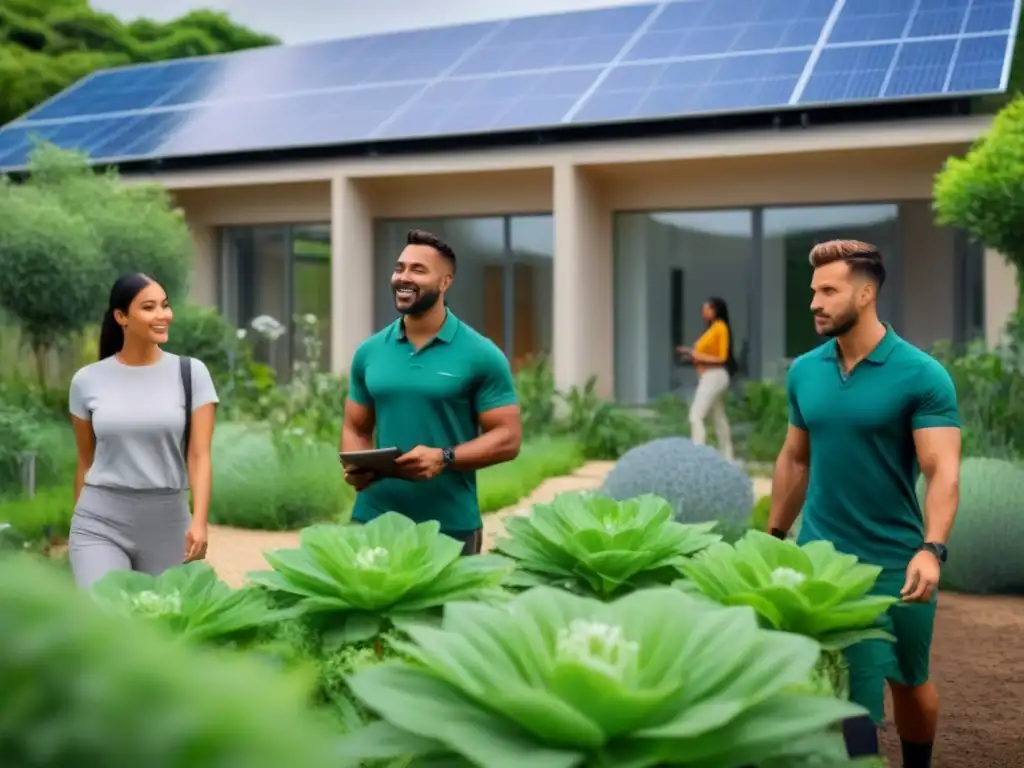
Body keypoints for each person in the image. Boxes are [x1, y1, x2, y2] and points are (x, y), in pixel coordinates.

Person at [767, 240, 960, 767]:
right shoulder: (805, 371)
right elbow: (795, 459)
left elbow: (941, 470)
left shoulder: (921, 375)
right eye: (813, 291)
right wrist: (773, 538)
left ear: (867, 293)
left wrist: (932, 549)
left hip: (898, 563)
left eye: (829, 290)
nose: (815, 302)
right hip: (824, 560)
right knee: (851, 694)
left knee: (911, 684)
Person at [340, 229, 523, 554]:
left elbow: (508, 437)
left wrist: (444, 458)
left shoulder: (481, 354)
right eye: (400, 268)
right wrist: (357, 467)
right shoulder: (369, 352)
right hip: (373, 520)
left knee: (450, 608)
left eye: (418, 270)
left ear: (445, 282)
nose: (403, 277)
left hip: (449, 525)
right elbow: (356, 426)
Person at [68, 273, 219, 588]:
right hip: (99, 520)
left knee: (161, 626)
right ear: (121, 316)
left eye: (165, 305)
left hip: (167, 520)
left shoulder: (192, 374)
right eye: (149, 307)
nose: (163, 315)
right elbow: (86, 460)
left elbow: (199, 455)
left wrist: (200, 522)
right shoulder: (87, 380)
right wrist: (76, 523)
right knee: (106, 616)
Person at [677, 296, 737, 461]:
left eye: (707, 309)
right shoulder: (712, 329)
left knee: (695, 415)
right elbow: (705, 353)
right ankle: (727, 457)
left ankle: (697, 455)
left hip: (715, 375)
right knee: (718, 417)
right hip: (709, 375)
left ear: (715, 310)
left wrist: (696, 355)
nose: (704, 312)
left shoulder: (720, 328)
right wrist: (690, 352)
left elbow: (722, 357)